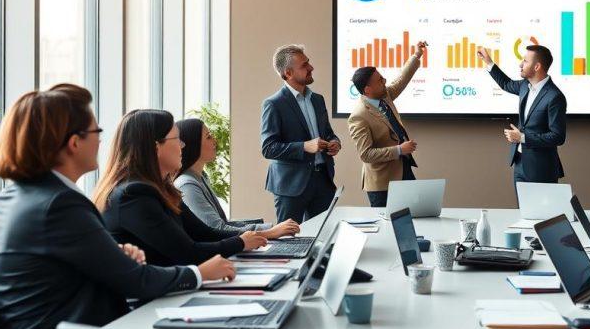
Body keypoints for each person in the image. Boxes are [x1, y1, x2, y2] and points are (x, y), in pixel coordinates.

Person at [0, 84, 234, 329]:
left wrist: (113, 255)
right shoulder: (60, 203)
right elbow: (136, 281)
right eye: (96, 131)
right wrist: (199, 273)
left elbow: (54, 275)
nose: (102, 140)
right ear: (74, 143)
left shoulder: (10, 199)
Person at [94, 109, 268, 267]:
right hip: (155, 291)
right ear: (156, 147)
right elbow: (188, 253)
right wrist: (241, 242)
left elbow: (204, 233)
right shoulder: (134, 195)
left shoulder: (162, 188)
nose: (183, 146)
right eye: (177, 139)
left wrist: (252, 237)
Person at [174, 118, 301, 237]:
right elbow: (218, 229)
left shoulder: (200, 177)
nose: (214, 140)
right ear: (193, 144)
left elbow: (223, 224)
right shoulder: (187, 185)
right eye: (208, 137)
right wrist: (270, 232)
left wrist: (270, 228)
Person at [261, 44, 341, 222]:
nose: (311, 67)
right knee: (289, 236)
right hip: (291, 185)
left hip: (323, 181)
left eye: (308, 63)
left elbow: (328, 133)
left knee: (323, 234)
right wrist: (305, 146)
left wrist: (335, 142)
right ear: (288, 73)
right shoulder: (273, 104)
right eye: (304, 65)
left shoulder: (318, 100)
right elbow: (268, 148)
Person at [346, 41, 427, 207]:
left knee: (414, 216)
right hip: (382, 184)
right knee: (388, 223)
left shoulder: (384, 96)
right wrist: (399, 150)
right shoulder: (359, 116)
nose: (385, 81)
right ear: (367, 90)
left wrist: (417, 55)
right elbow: (366, 154)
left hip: (403, 170)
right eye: (380, 80)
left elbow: (401, 79)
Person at [477, 44, 566, 185]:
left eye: (525, 61)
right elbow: (506, 84)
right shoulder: (525, 85)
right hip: (519, 163)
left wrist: (522, 138)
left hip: (541, 169)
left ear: (537, 67)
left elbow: (558, 137)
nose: (520, 64)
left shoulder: (554, 97)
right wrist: (488, 62)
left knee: (539, 202)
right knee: (520, 201)